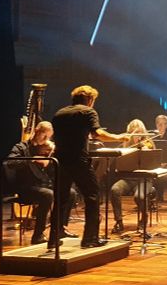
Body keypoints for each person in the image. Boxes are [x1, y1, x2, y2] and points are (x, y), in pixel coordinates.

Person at [49, 85, 128, 249]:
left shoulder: (59, 113)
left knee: (60, 199)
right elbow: (97, 134)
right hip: (78, 160)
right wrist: (119, 137)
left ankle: (53, 238)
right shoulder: (88, 111)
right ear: (90, 100)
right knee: (92, 196)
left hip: (59, 161)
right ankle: (90, 238)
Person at [7, 122, 58, 245]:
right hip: (25, 188)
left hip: (41, 185)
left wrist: (50, 161)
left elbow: (49, 172)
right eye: (44, 136)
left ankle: (60, 229)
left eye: (48, 138)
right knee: (48, 195)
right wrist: (33, 159)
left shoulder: (45, 149)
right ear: (37, 131)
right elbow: (10, 162)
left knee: (70, 193)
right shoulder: (21, 147)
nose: (46, 140)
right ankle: (38, 235)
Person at [110, 119, 157, 235]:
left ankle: (143, 220)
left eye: (140, 132)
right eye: (134, 132)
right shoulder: (124, 145)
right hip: (128, 178)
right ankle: (119, 221)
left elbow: (154, 163)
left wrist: (146, 153)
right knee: (114, 190)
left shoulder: (149, 144)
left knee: (140, 197)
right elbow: (117, 164)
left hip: (144, 178)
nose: (138, 136)